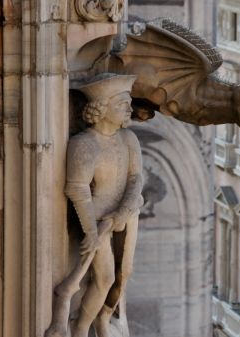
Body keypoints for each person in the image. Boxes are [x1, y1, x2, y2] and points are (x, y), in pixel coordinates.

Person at [52, 74, 143, 337]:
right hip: (97, 218)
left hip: (126, 214)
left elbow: (136, 178)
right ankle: (81, 327)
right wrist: (92, 231)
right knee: (104, 279)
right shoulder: (84, 144)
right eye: (121, 104)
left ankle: (104, 317)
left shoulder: (129, 140)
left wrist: (122, 212)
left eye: (129, 103)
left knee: (124, 273)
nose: (129, 108)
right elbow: (77, 189)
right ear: (101, 109)